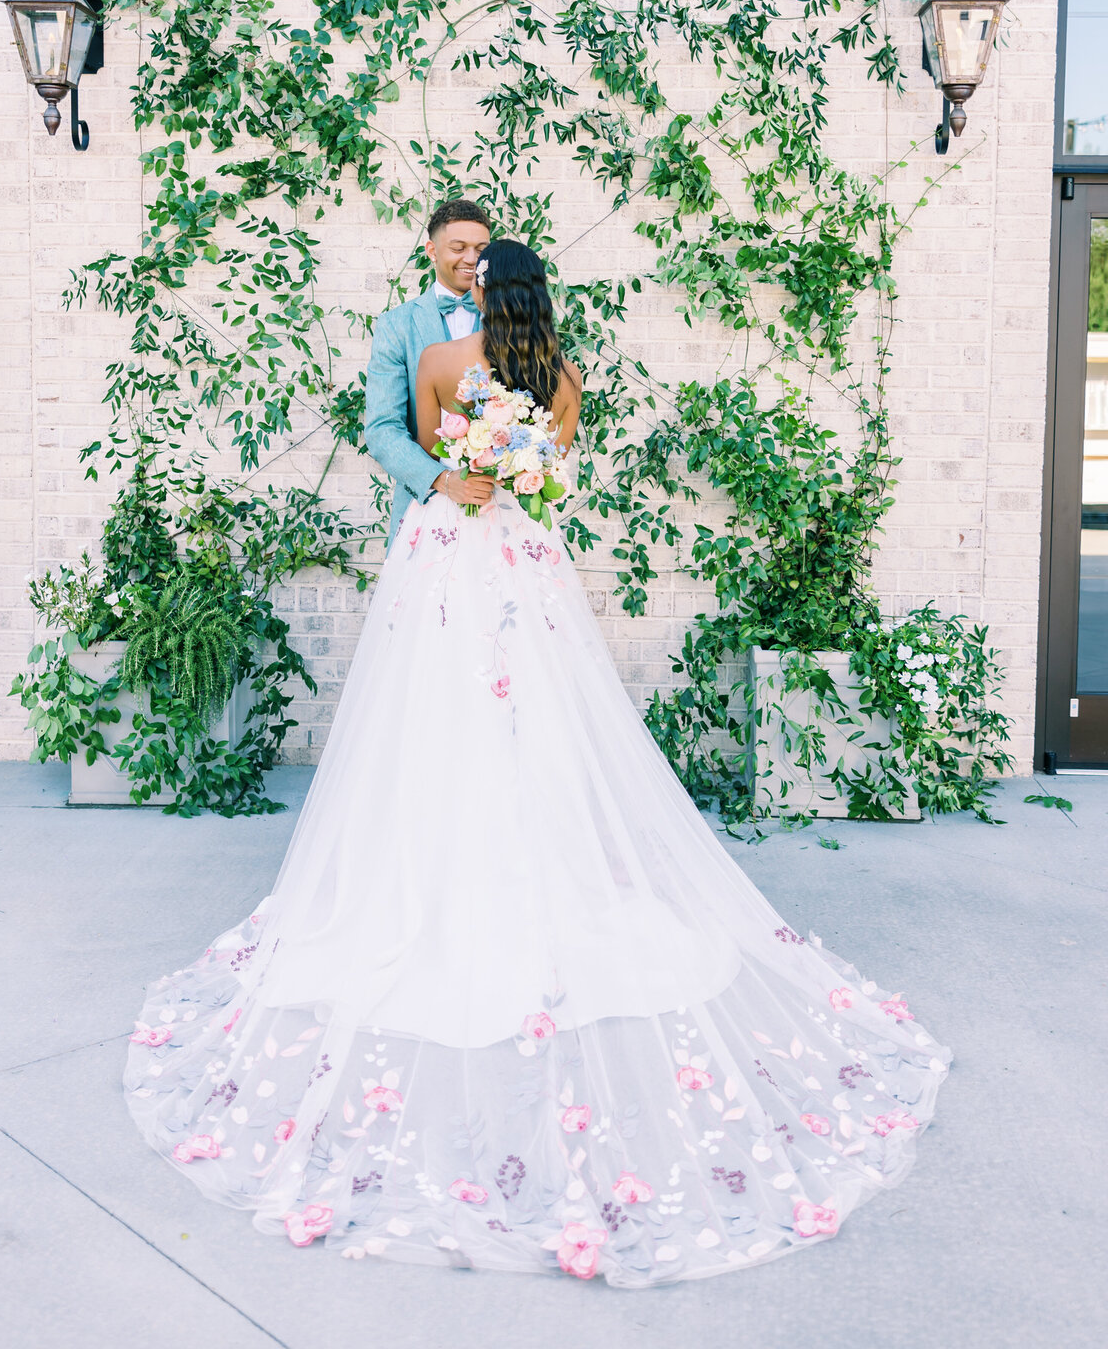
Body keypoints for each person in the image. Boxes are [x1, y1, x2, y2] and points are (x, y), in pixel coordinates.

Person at [124, 238, 950, 1288]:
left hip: (445, 555)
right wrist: (514, 465)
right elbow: (550, 483)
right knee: (542, 723)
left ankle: (431, 870)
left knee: (429, 723)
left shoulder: (438, 364)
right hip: (524, 557)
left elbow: (436, 461)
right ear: (540, 294)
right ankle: (539, 861)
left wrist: (471, 470)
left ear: (477, 286)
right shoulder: (563, 375)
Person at [363, 197, 496, 543]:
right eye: (458, 247)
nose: (471, 258)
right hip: (425, 507)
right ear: (432, 251)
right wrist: (443, 481)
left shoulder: (512, 321)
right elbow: (382, 428)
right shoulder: (396, 326)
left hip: (499, 508)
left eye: (481, 248)